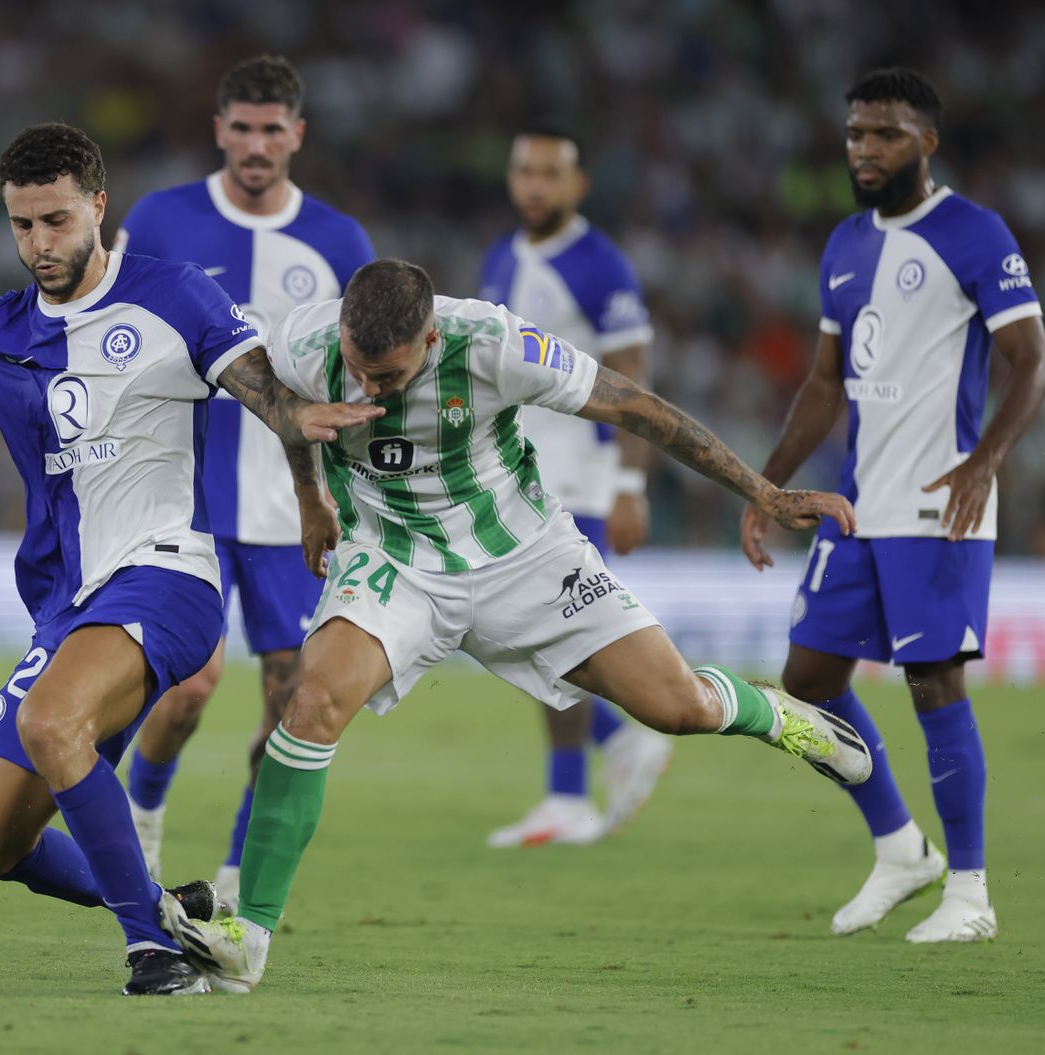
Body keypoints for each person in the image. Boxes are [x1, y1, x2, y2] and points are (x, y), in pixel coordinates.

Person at [0, 123, 379, 995]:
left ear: (97, 205)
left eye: (54, 220)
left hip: (169, 574)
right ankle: (170, 909)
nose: (39, 244)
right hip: (68, 605)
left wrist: (308, 474)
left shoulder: (176, 295)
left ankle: (151, 953)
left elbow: (262, 388)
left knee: (53, 724)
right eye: (21, 225)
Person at [163, 259, 874, 993]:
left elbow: (640, 409)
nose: (371, 388)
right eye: (361, 370)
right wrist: (311, 498)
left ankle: (782, 717)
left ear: (432, 338)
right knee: (310, 704)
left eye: (391, 375)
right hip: (394, 558)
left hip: (524, 554)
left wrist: (764, 491)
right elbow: (285, 408)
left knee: (678, 707)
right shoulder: (308, 342)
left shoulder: (494, 343)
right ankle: (248, 936)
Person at [740, 68, 1044, 943]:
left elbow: (1031, 360)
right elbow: (825, 384)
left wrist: (986, 461)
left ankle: (973, 893)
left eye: (885, 134)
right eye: (855, 135)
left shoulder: (974, 233)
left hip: (938, 501)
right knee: (807, 682)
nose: (865, 149)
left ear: (927, 143)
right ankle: (901, 846)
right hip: (860, 506)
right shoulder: (844, 242)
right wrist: (764, 482)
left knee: (933, 680)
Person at [113, 54, 375, 908]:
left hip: (296, 507)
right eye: (242, 127)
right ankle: (143, 811)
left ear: (297, 134)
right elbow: (112, 332)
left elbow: (365, 374)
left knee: (288, 696)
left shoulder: (341, 244)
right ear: (218, 129)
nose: (256, 143)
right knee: (188, 684)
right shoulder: (159, 219)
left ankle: (233, 872)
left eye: (273, 129)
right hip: (185, 493)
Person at [478, 122, 672, 846]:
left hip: (582, 483)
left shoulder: (600, 265)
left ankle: (585, 775)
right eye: (524, 171)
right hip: (518, 477)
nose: (534, 185)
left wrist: (631, 484)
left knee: (558, 628)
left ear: (577, 184)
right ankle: (611, 747)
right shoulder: (502, 256)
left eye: (549, 173)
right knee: (514, 627)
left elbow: (635, 385)